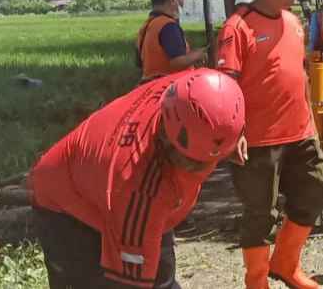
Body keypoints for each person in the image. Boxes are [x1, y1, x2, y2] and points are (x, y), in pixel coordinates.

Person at [28, 69, 244, 289]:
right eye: (194, 163)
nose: (200, 169)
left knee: (162, 279)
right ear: (169, 143)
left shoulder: (194, 88)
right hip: (65, 203)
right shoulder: (142, 190)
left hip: (105, 181)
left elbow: (218, 110)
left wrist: (227, 141)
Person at [218, 0, 323, 289]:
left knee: (316, 188)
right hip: (256, 141)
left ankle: (285, 264)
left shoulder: (293, 21)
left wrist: (312, 117)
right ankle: (256, 281)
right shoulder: (237, 28)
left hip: (300, 133)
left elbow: (298, 73)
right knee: (260, 213)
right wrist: (232, 130)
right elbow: (225, 87)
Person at [137, 0, 205, 81]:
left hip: (151, 85)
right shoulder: (168, 26)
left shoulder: (148, 25)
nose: (183, 3)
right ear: (173, 0)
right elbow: (177, 62)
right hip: (169, 87)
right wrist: (198, 55)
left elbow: (140, 62)